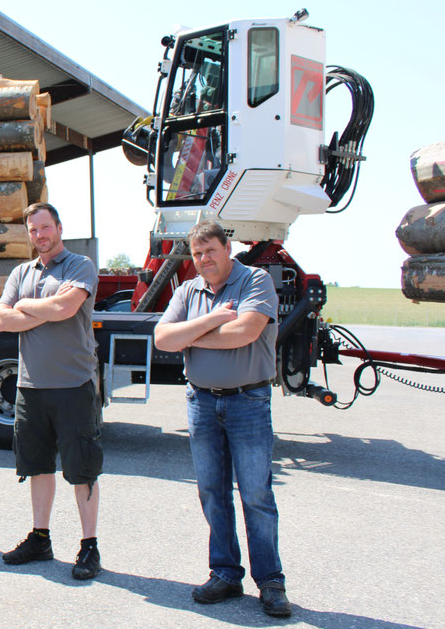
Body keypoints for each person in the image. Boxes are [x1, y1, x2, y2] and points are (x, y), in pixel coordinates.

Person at [153, 220, 291, 618]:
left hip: (248, 401)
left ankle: (270, 582)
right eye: (197, 254)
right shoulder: (188, 290)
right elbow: (163, 339)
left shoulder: (255, 281)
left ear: (227, 248)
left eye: (210, 250)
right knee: (212, 492)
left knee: (256, 495)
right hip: (201, 403)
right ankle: (226, 574)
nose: (204, 259)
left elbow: (245, 332)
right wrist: (213, 320)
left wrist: (189, 336)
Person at [0, 202, 104, 580]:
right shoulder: (21, 272)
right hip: (30, 387)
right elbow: (1, 320)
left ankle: (89, 546)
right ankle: (40, 539)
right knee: (37, 466)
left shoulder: (79, 266)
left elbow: (66, 309)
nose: (39, 235)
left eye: (45, 227)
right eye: (33, 230)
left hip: (74, 385)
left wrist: (25, 306)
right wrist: (44, 308)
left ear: (58, 228)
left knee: (82, 469)